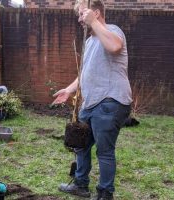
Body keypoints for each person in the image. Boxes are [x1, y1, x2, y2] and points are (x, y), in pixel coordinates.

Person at [52, 0, 132, 199]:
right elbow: (85, 72)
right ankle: (81, 185)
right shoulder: (89, 41)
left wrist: (94, 23)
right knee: (80, 143)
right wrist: (69, 90)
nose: (80, 19)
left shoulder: (113, 31)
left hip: (109, 101)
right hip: (91, 103)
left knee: (104, 151)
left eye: (82, 13)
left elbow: (114, 46)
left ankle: (105, 193)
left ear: (95, 13)